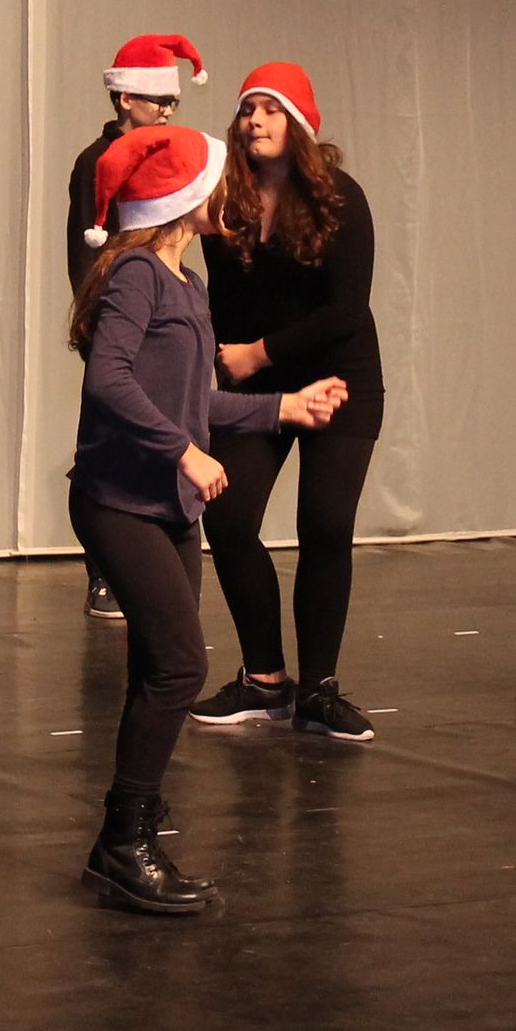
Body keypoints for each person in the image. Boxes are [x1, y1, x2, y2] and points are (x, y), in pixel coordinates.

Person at [68, 125, 345, 913]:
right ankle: (126, 840)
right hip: (119, 501)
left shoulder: (186, 282)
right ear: (185, 195)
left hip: (167, 505)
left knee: (157, 667)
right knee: (181, 667)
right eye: (220, 182)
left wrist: (283, 407)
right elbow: (108, 382)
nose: (234, 194)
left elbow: (195, 400)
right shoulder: (136, 275)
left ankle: (122, 841)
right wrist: (183, 451)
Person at [188, 63, 386, 742]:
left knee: (325, 525)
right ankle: (265, 679)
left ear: (299, 123)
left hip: (337, 379)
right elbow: (223, 296)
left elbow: (345, 311)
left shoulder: (339, 197)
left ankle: (318, 690)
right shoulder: (228, 199)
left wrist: (256, 354)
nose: (255, 121)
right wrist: (224, 361)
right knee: (229, 516)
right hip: (257, 384)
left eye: (271, 110)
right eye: (248, 110)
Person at [64, 34, 209, 623]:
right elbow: (88, 248)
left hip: (156, 308)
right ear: (126, 99)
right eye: (159, 100)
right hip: (122, 312)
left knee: (164, 421)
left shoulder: (167, 157)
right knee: (117, 433)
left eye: (173, 102)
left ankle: (149, 555)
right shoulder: (95, 162)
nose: (169, 110)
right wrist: (103, 323)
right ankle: (108, 568)